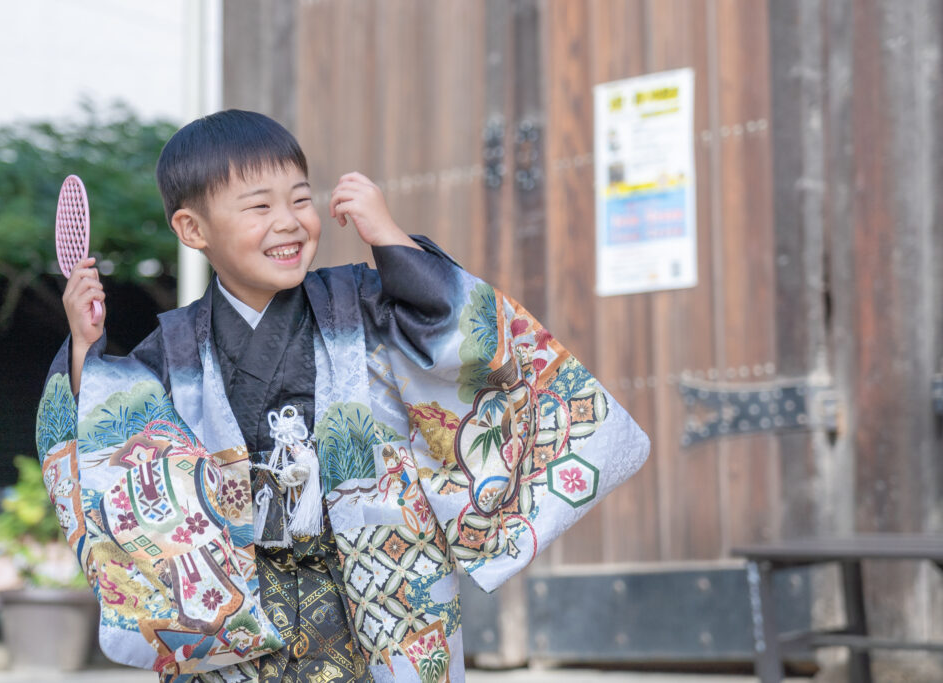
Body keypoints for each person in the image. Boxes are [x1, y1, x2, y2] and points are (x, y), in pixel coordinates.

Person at [37, 110, 650, 683]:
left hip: (374, 578)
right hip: (247, 592)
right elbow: (110, 440)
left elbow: (458, 331)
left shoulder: (359, 299)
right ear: (192, 229)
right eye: (258, 206)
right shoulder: (172, 347)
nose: (288, 221)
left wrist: (388, 238)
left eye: (300, 199)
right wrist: (86, 348)